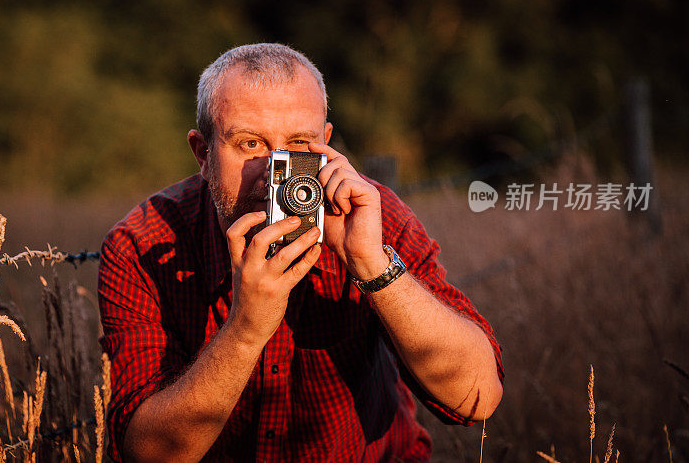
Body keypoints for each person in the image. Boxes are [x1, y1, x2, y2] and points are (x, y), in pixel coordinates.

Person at [97, 43, 504, 462]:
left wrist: (372, 265)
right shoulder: (141, 245)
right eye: (250, 143)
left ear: (326, 142)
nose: (276, 169)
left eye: (298, 143)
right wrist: (245, 330)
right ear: (203, 153)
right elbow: (147, 455)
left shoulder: (367, 213)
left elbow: (476, 397)